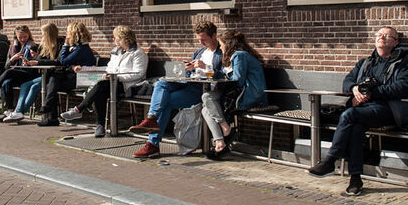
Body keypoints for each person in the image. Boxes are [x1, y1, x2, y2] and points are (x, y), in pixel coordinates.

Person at [307, 26, 408, 196]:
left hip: (388, 110)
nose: (382, 37)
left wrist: (372, 93)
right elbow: (348, 80)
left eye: (387, 36)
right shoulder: (366, 62)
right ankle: (355, 179)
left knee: (349, 115)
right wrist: (355, 90)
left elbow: (404, 86)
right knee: (356, 128)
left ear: (395, 42)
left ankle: (330, 161)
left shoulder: (404, 63)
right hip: (364, 110)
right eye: (379, 34)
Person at [129, 20, 224, 158]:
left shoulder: (222, 53)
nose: (201, 43)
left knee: (165, 102)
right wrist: (188, 69)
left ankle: (152, 144)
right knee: (161, 84)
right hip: (190, 84)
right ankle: (151, 118)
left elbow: (225, 75)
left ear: (214, 35)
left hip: (204, 91)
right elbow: (190, 74)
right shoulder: (199, 52)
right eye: (199, 39)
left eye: (204, 39)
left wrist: (206, 67)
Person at [61, 25, 148, 137]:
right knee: (100, 91)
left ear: (123, 38)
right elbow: (108, 69)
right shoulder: (116, 52)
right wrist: (84, 69)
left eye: (115, 37)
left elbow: (139, 74)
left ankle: (81, 111)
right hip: (112, 83)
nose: (113, 40)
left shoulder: (138, 53)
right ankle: (99, 126)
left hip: (129, 85)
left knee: (101, 86)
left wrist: (117, 77)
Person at [200, 30, 267, 159]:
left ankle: (225, 129)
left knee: (207, 97)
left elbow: (238, 80)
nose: (220, 47)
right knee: (205, 109)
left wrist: (221, 74)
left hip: (249, 95)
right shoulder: (238, 55)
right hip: (240, 93)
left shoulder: (239, 55)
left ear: (228, 44)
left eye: (221, 44)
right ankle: (220, 143)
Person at [37, 21, 96, 127]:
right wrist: (72, 66)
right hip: (73, 76)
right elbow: (66, 62)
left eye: (68, 32)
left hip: (82, 79)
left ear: (74, 34)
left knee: (52, 85)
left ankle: (50, 113)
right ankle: (50, 112)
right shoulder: (76, 47)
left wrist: (65, 45)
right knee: (53, 82)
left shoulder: (81, 49)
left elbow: (63, 61)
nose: (67, 35)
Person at [2, 23, 62, 123]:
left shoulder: (60, 44)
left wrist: (38, 61)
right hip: (44, 74)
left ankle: (19, 112)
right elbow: (40, 59)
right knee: (25, 85)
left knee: (34, 87)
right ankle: (18, 112)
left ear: (48, 34)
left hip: (53, 75)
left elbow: (58, 61)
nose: (42, 36)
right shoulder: (45, 45)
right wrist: (35, 57)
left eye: (43, 34)